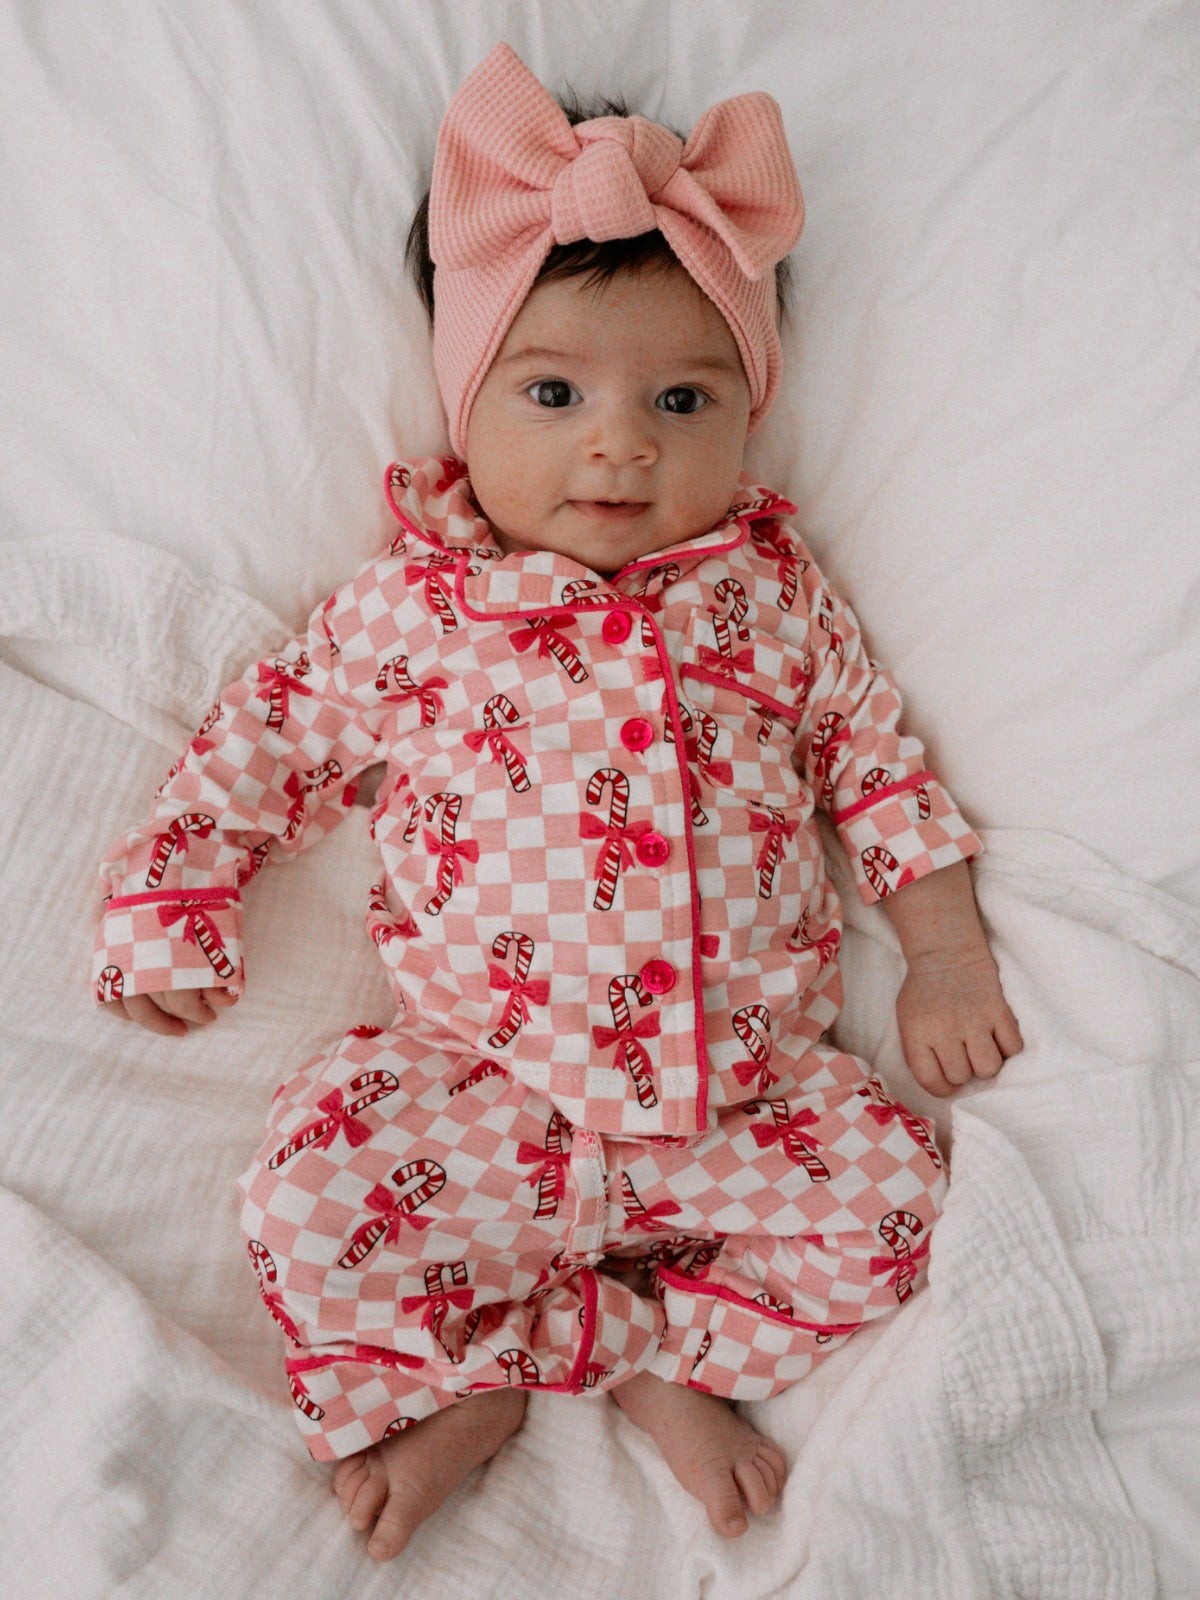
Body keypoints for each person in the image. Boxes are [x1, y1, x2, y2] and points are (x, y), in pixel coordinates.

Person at [91, 43, 1023, 1562]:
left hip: (746, 1098)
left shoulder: (765, 600)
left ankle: (652, 1355)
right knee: (307, 1202)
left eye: (680, 395)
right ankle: (497, 1379)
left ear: (748, 414)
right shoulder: (423, 605)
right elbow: (268, 738)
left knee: (900, 1210)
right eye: (554, 390)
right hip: (482, 1089)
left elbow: (874, 763)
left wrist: (947, 954)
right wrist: (175, 896)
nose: (622, 441)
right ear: (469, 407)